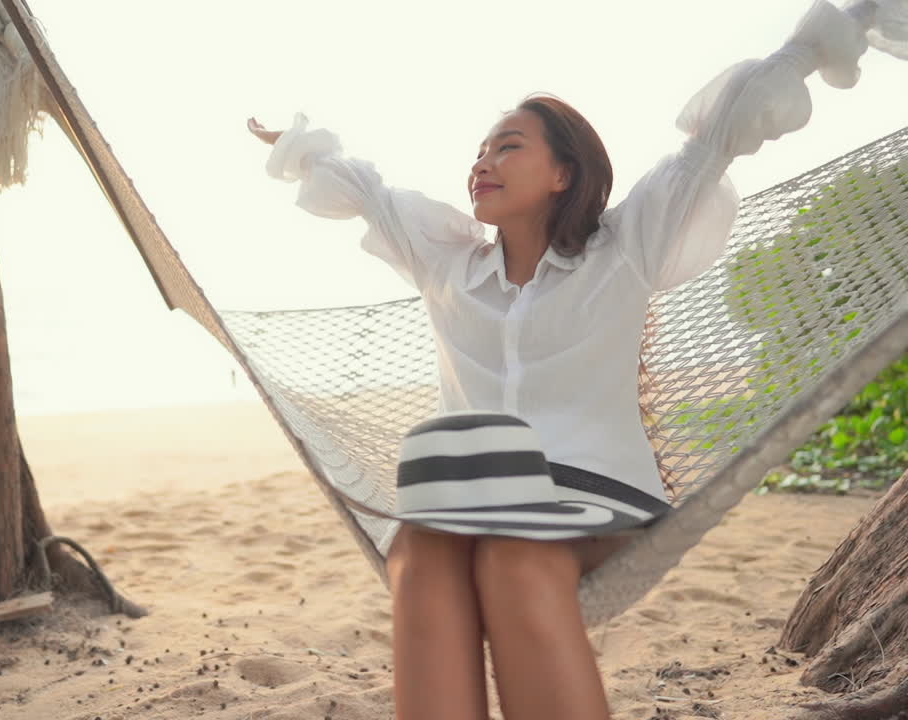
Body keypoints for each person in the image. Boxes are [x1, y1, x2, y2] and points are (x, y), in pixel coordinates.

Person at [246, 1, 885, 717]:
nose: (483, 162)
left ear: (563, 173)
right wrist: (299, 148)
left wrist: (825, 40)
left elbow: (718, 139)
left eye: (508, 146)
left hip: (602, 498)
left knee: (514, 561)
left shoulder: (626, 249)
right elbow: (367, 192)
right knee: (419, 555)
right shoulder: (446, 266)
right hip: (474, 495)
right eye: (480, 151)